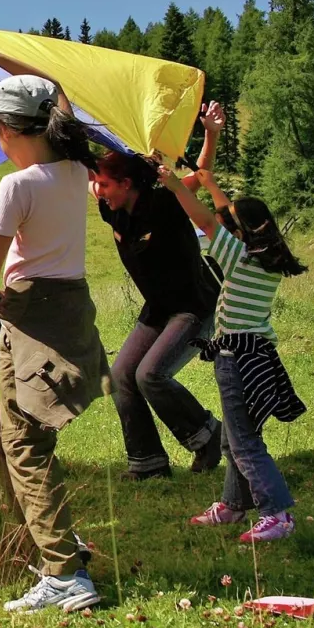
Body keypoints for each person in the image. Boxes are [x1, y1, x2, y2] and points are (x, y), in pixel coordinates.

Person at [0, 41, 109, 613]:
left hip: (30, 316)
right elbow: (55, 87)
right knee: (9, 436)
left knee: (23, 442)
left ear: (8, 128)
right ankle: (59, 546)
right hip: (70, 306)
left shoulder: (16, 186)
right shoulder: (74, 168)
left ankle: (65, 576)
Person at [156, 158, 308, 543]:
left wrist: (178, 186)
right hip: (255, 356)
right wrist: (211, 185)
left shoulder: (238, 260)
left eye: (232, 223)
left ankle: (277, 514)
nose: (224, 223)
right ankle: (232, 505)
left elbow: (208, 222)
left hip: (236, 361)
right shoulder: (264, 260)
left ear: (239, 233)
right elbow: (225, 216)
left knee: (244, 442)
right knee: (234, 437)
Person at [91, 102, 227, 481]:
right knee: (121, 376)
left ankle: (208, 436)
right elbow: (80, 161)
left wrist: (211, 132)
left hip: (193, 305)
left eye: (104, 185)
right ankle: (147, 463)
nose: (98, 192)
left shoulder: (166, 202)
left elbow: (203, 174)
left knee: (150, 375)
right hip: (159, 308)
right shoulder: (111, 208)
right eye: (98, 185)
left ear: (126, 185)